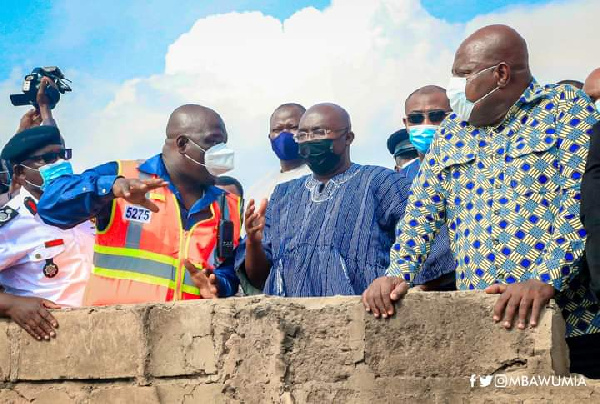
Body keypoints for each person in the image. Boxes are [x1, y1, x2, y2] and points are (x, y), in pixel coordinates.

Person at [362, 24, 600, 377]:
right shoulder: (452, 132)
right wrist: (398, 273)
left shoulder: (566, 111)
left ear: (501, 74)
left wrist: (545, 278)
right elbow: (422, 211)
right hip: (483, 321)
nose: (454, 86)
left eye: (463, 75)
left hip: (571, 321)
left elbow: (582, 204)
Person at [38, 104, 242, 305]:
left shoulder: (227, 205)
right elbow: (50, 205)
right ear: (182, 144)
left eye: (223, 144)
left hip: (186, 332)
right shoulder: (123, 175)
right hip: (118, 330)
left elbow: (230, 268)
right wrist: (111, 188)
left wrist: (219, 283)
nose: (221, 153)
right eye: (212, 143)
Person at [236, 103, 413, 296]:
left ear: (348, 137)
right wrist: (253, 241)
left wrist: (393, 278)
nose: (310, 140)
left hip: (364, 316)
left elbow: (420, 239)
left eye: (319, 132)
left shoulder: (383, 182)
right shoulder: (282, 195)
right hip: (287, 320)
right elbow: (259, 278)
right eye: (303, 135)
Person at [0, 125, 95, 341]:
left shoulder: (87, 207)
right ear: (20, 173)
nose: (60, 163)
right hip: (51, 341)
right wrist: (11, 305)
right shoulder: (13, 223)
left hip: (106, 331)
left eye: (63, 155)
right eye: (48, 158)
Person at [399, 85, 456, 290]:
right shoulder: (397, 180)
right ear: (406, 124)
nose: (427, 124)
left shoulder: (476, 171)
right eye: (416, 119)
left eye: (437, 116)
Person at [246, 103, 311, 203]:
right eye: (277, 130)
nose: (284, 134)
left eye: (293, 127)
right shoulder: (256, 191)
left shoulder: (321, 179)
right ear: (270, 137)